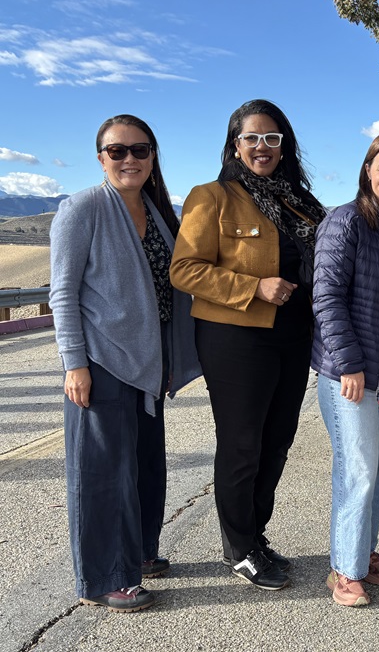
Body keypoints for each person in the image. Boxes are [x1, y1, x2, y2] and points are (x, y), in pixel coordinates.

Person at [170, 99, 326, 591]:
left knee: (277, 441)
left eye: (273, 138)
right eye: (253, 138)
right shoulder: (210, 197)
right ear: (235, 144)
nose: (263, 147)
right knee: (242, 444)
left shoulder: (298, 199)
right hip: (236, 338)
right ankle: (238, 546)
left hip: (293, 336)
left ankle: (253, 535)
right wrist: (253, 287)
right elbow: (184, 269)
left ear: (285, 145)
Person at [50, 114, 201, 612]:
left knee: (143, 468)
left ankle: (136, 554)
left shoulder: (157, 212)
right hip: (102, 361)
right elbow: (62, 293)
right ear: (101, 158)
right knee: (102, 475)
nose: (129, 159)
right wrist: (75, 363)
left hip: (147, 364)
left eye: (140, 150)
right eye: (118, 151)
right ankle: (101, 579)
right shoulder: (83, 208)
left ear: (153, 157)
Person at [313, 130, 379, 607]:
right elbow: (327, 297)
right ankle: (346, 570)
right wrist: (349, 364)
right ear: (367, 172)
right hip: (352, 368)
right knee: (357, 468)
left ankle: (361, 549)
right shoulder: (345, 222)